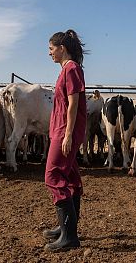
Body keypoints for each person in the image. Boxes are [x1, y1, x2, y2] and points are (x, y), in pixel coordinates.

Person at [43, 29, 87, 252]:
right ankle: (66, 229)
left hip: (64, 131)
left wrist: (68, 134)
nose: (49, 53)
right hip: (60, 130)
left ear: (62, 48)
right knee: (69, 175)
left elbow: (73, 104)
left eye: (51, 49)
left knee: (52, 175)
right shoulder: (66, 69)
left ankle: (69, 236)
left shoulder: (71, 69)